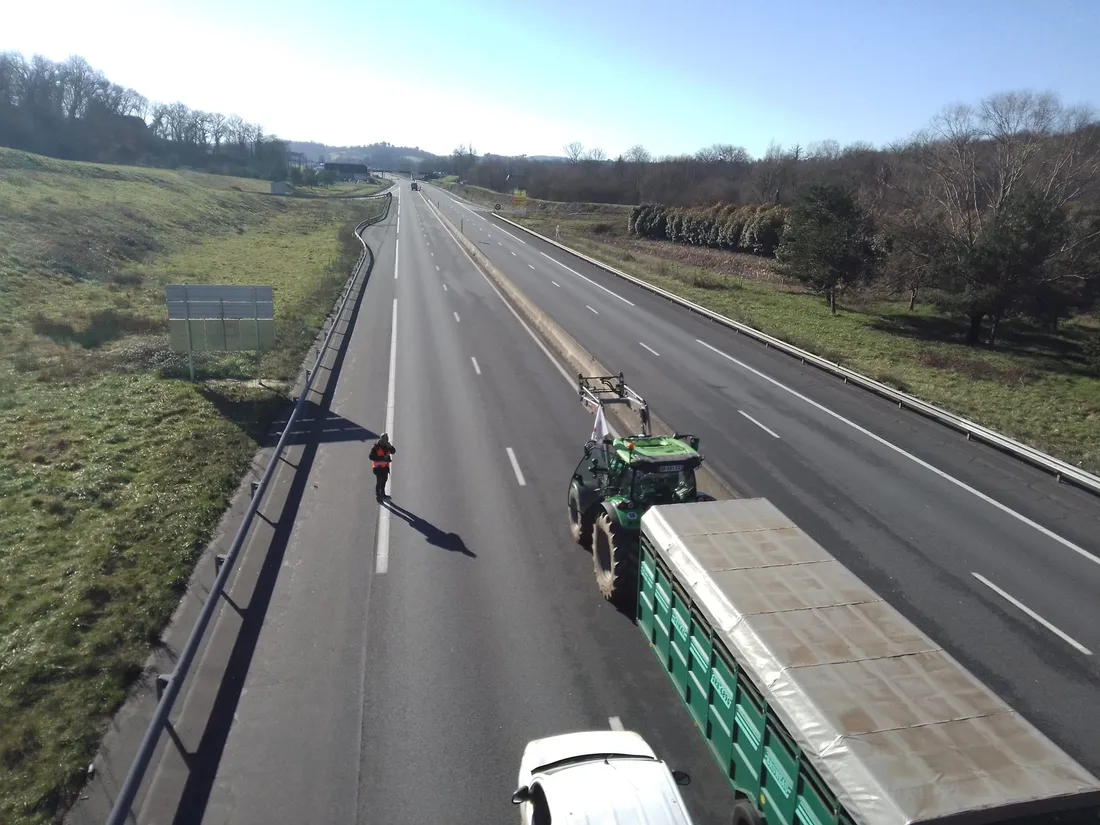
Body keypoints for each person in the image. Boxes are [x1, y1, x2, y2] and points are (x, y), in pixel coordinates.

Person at [370, 433, 396, 501]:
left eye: (387, 439)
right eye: (385, 440)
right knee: (379, 482)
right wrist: (382, 458)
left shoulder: (387, 446)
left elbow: (393, 451)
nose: (386, 441)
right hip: (378, 468)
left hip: (385, 468)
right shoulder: (376, 447)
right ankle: (378, 496)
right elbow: (371, 457)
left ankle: (383, 494)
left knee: (384, 481)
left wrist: (390, 447)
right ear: (382, 440)